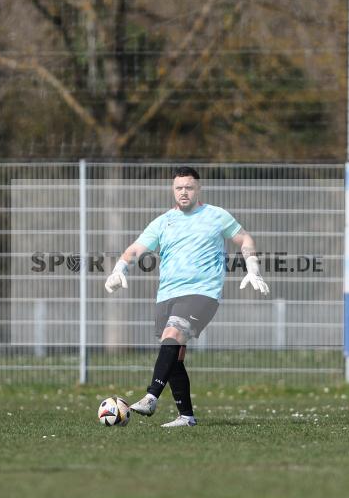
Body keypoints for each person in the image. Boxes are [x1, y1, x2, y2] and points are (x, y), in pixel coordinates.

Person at [104, 166, 269, 427]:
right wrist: (119, 269)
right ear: (173, 190)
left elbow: (244, 239)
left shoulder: (216, 216)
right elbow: (135, 249)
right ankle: (186, 416)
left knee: (173, 335)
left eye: (189, 187)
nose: (184, 192)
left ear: (198, 189)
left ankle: (151, 396)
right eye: (179, 188)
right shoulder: (163, 222)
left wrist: (253, 267)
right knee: (173, 355)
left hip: (202, 292)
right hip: (167, 294)